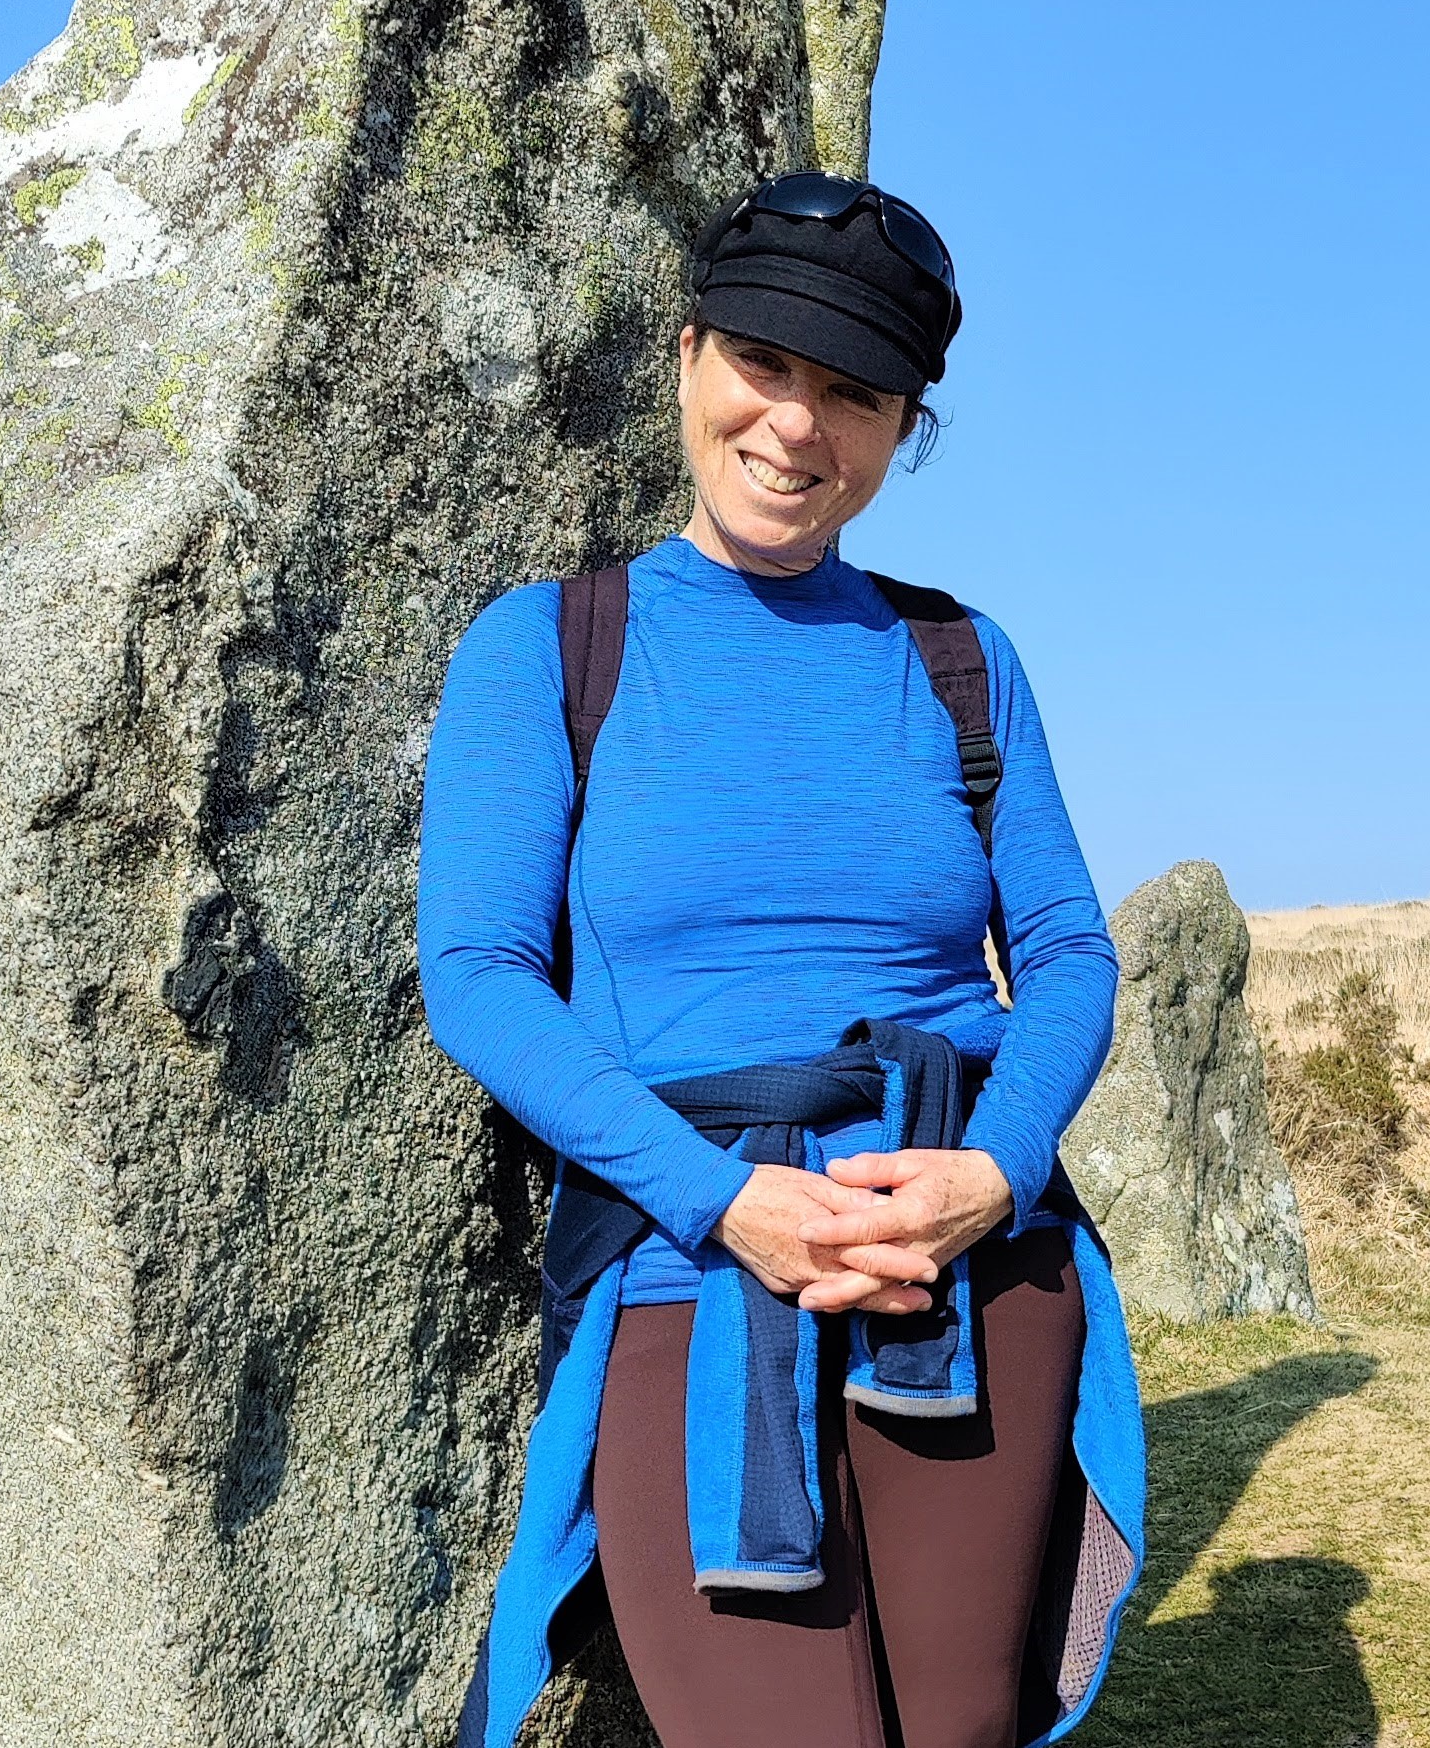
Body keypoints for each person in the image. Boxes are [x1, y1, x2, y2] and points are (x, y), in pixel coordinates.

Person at [418, 173, 1146, 1748]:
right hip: (689, 1271)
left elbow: (1067, 950)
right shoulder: (551, 647)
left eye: (856, 393)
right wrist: (723, 1201)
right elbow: (476, 974)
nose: (797, 424)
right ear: (686, 356)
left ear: (902, 430)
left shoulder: (960, 659)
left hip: (964, 1279)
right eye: (763, 362)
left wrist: (995, 1175)